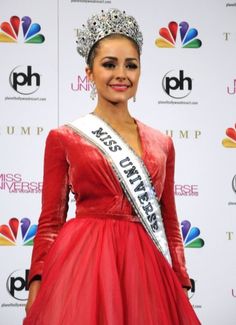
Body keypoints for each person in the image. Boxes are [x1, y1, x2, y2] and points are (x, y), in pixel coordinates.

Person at [24, 8, 200, 325]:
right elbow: (50, 221)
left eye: (131, 65)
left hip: (145, 269)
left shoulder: (163, 144)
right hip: (84, 263)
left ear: (140, 72)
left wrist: (180, 278)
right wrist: (36, 280)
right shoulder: (64, 138)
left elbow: (169, 219)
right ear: (89, 73)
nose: (121, 74)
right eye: (109, 64)